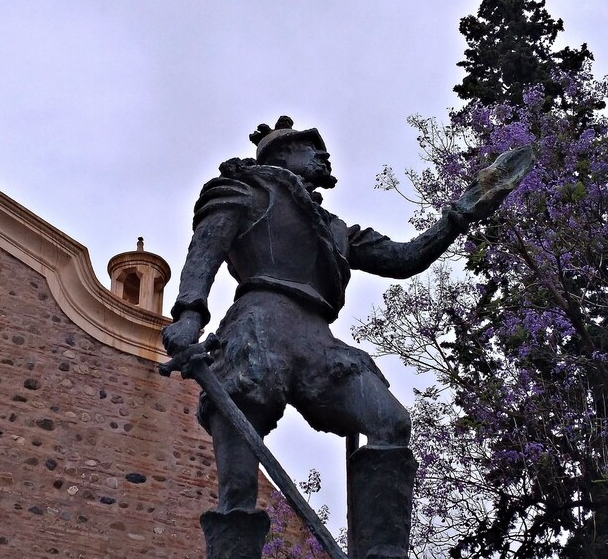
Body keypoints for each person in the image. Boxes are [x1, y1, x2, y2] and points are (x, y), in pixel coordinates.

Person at [163, 116, 531, 559]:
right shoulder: (248, 190)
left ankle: (381, 553)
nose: (323, 155)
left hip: (318, 340)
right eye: (310, 148)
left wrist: (464, 210)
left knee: (390, 423)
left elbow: (404, 258)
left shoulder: (336, 229)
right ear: (283, 154)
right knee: (239, 484)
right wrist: (189, 315)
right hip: (257, 328)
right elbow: (206, 248)